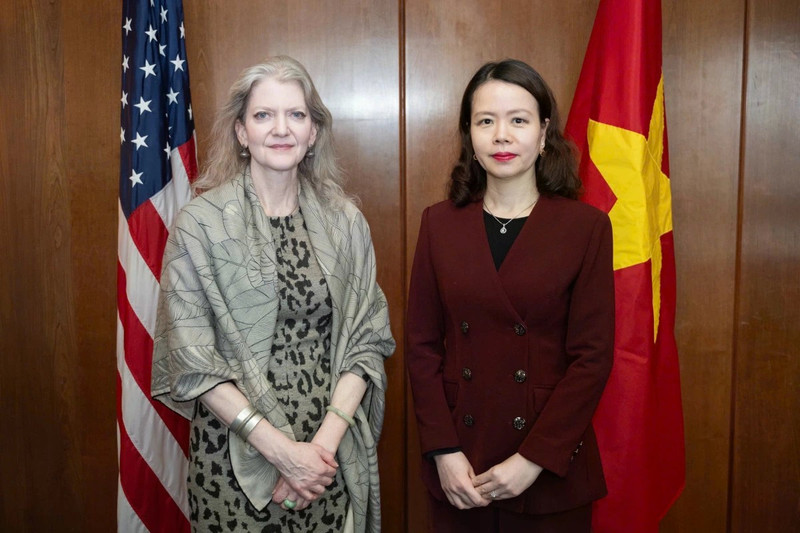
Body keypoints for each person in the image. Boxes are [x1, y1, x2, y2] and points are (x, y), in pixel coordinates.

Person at [151, 56, 395, 533]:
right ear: (241, 132)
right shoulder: (200, 226)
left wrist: (317, 454)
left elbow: (367, 341)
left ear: (313, 133)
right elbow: (191, 357)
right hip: (234, 460)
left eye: (296, 115)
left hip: (328, 459)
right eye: (263, 115)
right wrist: (282, 454)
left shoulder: (345, 222)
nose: (281, 128)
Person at [406, 59, 615, 532]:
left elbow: (593, 357)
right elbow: (421, 348)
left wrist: (534, 459)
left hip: (549, 467)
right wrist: (442, 450)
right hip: (462, 468)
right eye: (486, 121)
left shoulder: (586, 228)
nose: (501, 136)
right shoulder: (439, 224)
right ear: (470, 136)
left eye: (518, 120)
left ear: (543, 134)